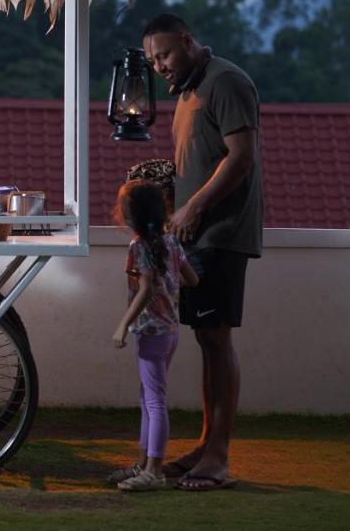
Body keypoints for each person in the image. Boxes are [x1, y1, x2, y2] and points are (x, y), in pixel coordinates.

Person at [142, 12, 262, 493]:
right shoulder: (189, 91)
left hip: (221, 232)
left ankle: (218, 457)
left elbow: (241, 156)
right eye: (153, 60)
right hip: (194, 233)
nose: (160, 66)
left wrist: (193, 207)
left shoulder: (226, 81)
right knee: (205, 341)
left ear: (189, 41)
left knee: (216, 341)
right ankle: (205, 446)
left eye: (166, 54)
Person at [108, 179, 198, 492]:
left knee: (154, 400)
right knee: (148, 397)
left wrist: (123, 324)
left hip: (150, 332)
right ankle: (145, 463)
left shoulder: (139, 246)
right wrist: (169, 286)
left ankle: (155, 470)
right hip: (170, 330)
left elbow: (144, 290)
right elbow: (192, 279)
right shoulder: (171, 242)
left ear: (130, 215)